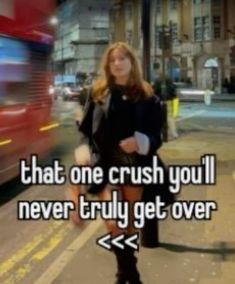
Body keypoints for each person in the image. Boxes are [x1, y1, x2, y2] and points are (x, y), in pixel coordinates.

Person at [76, 41, 165, 284]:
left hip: (134, 166)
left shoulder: (147, 95)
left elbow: (158, 135)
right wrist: (83, 148)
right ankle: (131, 274)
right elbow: (85, 129)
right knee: (114, 221)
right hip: (106, 166)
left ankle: (124, 271)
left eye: (121, 59)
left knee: (130, 222)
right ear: (108, 64)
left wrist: (141, 141)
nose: (117, 63)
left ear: (131, 62)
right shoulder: (98, 93)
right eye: (112, 60)